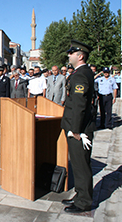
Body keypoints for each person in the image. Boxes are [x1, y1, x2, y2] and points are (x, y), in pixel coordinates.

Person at [61, 40, 95, 213]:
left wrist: (75, 130)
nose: (69, 55)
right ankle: (80, 194)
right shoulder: (82, 72)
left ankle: (84, 202)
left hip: (78, 129)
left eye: (71, 53)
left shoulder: (81, 75)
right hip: (77, 127)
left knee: (81, 166)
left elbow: (80, 105)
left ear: (80, 56)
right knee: (78, 163)